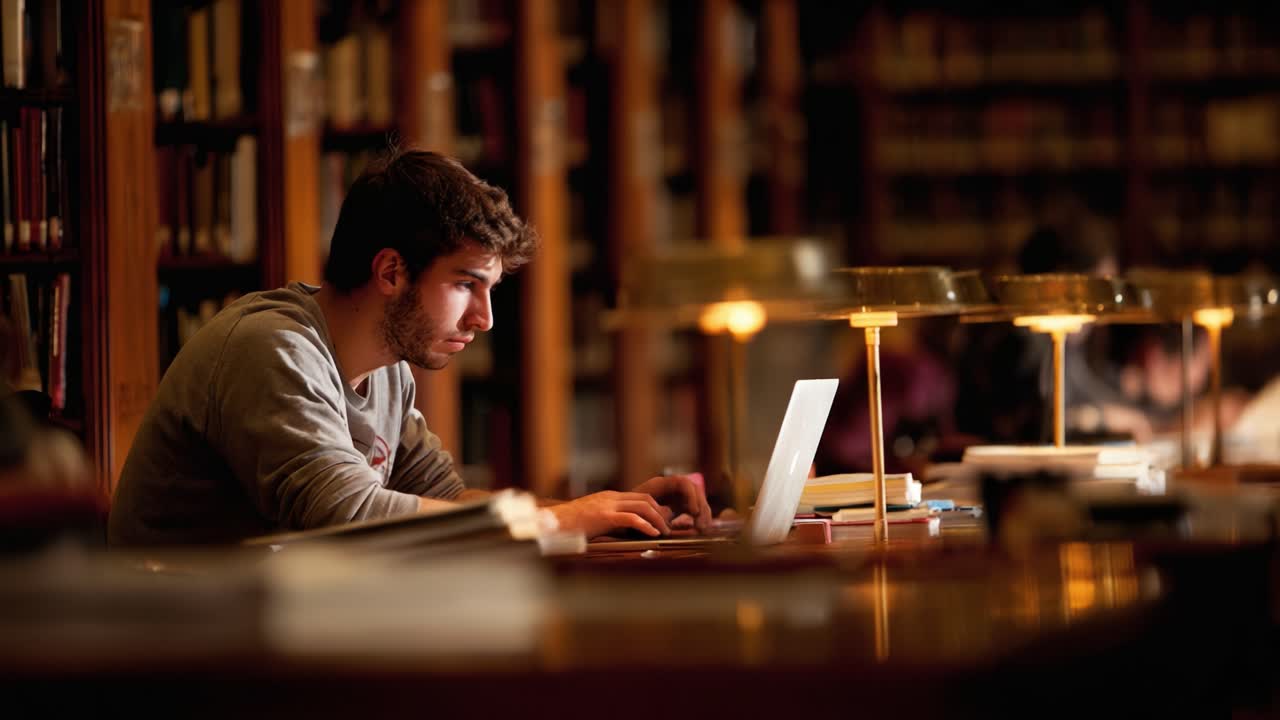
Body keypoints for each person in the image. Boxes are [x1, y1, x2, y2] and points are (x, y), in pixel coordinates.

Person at [109, 149, 710, 546]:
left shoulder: (388, 371)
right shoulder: (273, 348)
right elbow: (349, 518)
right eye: (465, 285)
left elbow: (446, 502)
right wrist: (553, 522)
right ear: (392, 271)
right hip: (177, 660)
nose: (485, 319)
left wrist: (608, 513)